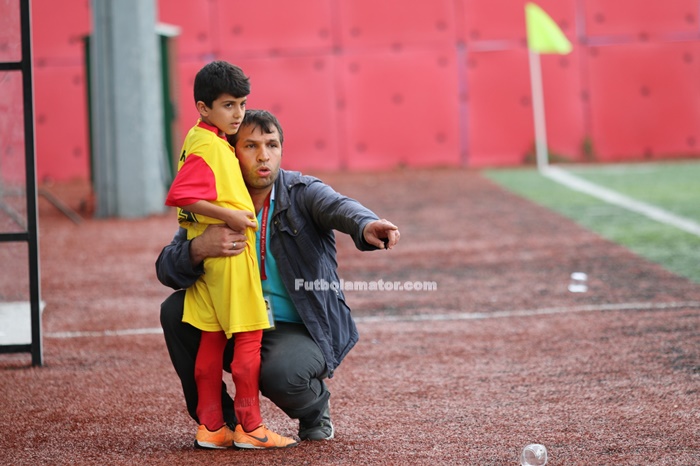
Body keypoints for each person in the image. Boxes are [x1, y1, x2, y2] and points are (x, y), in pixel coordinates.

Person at [156, 109, 400, 447]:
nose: (263, 156)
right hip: (234, 318)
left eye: (272, 145)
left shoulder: (302, 192)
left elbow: (340, 207)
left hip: (298, 327)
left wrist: (366, 225)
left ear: (282, 150)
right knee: (175, 311)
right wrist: (199, 248)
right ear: (231, 152)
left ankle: (315, 411)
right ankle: (221, 423)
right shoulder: (215, 201)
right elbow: (166, 267)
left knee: (282, 373)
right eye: (250, 146)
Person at [164, 62, 296, 450]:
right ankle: (251, 428)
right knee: (248, 342)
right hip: (231, 257)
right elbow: (180, 195)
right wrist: (232, 215)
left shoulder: (200, 137)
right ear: (204, 108)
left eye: (241, 104)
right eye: (228, 105)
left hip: (210, 259)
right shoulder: (209, 144)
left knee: (211, 341)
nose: (238, 114)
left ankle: (211, 427)